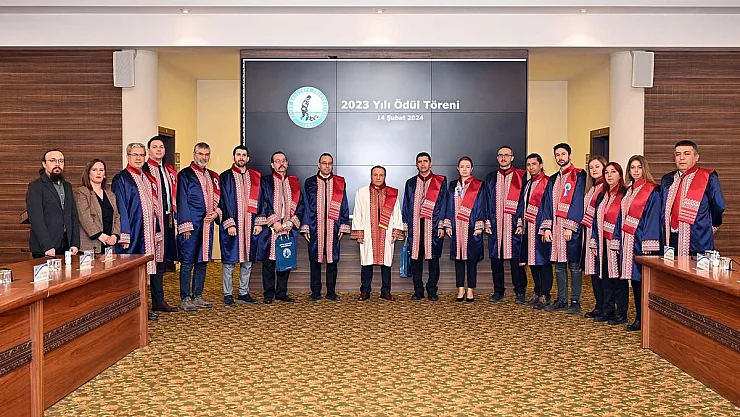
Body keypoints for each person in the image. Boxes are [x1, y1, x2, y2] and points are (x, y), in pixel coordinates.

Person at [113, 143, 165, 321]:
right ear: (128, 156)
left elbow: (154, 207)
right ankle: (130, 310)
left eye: (141, 155)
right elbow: (121, 208)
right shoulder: (121, 179)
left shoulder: (147, 178)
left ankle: (143, 307)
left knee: (145, 274)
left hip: (147, 233)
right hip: (133, 234)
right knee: (131, 274)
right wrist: (124, 234)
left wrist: (157, 230)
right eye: (134, 155)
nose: (138, 158)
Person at [540, 143, 587, 314]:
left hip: (570, 229)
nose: (560, 157)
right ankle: (562, 299)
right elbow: (546, 203)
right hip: (556, 228)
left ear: (570, 155)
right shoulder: (553, 179)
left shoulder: (579, 175)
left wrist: (571, 226)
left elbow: (579, 201)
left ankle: (575, 301)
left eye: (563, 154)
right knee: (559, 266)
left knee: (574, 266)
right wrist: (547, 228)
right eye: (557, 155)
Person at [255, 151, 304, 304]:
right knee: (269, 263)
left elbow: (301, 205)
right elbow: (263, 202)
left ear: (287, 163)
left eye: (283, 160)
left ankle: (282, 293)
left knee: (285, 259)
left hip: (288, 227)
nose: (281, 163)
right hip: (271, 228)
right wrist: (274, 222)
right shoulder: (265, 181)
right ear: (272, 165)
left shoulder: (294, 182)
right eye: (277, 161)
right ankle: (268, 294)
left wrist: (291, 222)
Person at [177, 142, 221, 312]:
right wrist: (185, 225)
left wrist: (216, 213)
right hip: (191, 226)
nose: (203, 157)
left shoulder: (213, 176)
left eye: (206, 154)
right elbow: (181, 200)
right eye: (200, 154)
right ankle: (185, 297)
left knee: (202, 261)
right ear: (194, 154)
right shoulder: (185, 175)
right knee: (187, 262)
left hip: (207, 226)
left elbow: (221, 200)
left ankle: (197, 295)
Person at [660, 140, 725, 256]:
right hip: (670, 239)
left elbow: (718, 206)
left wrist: (707, 228)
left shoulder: (708, 177)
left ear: (696, 157)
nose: (682, 158)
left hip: (697, 237)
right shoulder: (667, 179)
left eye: (687, 154)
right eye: (678, 154)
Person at [300, 153, 350, 302]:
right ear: (318, 164)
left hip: (333, 226)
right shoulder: (310, 182)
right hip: (315, 227)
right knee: (314, 261)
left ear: (332, 165)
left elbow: (344, 204)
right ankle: (315, 292)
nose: (327, 166)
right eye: (324, 163)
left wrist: (343, 225)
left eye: (329, 163)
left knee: (332, 261)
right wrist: (306, 226)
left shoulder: (339, 182)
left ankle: (331, 292)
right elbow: (306, 205)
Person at [352, 166, 404, 301]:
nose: (378, 177)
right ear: (371, 176)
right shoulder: (361, 193)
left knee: (386, 262)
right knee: (366, 261)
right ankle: (365, 291)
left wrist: (396, 231)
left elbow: (397, 212)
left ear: (385, 177)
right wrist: (359, 232)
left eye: (381, 175)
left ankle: (386, 291)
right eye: (375, 175)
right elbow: (357, 213)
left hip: (386, 232)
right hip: (368, 232)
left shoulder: (392, 193)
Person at [621, 155, 661, 331]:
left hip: (641, 241)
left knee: (642, 281)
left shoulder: (652, 191)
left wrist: (648, 245)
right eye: (632, 168)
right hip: (628, 240)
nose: (636, 171)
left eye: (639, 167)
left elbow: (653, 218)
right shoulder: (628, 191)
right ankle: (638, 315)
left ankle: (643, 318)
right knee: (634, 281)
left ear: (644, 169)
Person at [401, 152, 448, 301]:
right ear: (416, 165)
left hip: (433, 226)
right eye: (420, 161)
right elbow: (406, 204)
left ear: (430, 163)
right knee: (416, 260)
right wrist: (405, 225)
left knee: (433, 260)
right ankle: (418, 290)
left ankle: (432, 290)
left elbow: (444, 203)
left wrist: (441, 225)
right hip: (415, 225)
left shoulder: (440, 181)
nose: (423, 164)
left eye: (425, 161)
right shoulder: (410, 183)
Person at [219, 145, 261, 306]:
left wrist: (259, 223)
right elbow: (222, 202)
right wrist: (229, 223)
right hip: (233, 226)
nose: (241, 157)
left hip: (250, 225)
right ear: (233, 157)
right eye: (238, 155)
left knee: (247, 261)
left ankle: (244, 292)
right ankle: (227, 294)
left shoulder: (255, 177)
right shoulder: (225, 177)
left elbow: (262, 200)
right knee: (229, 262)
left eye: (244, 155)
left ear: (248, 158)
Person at [485, 145, 527, 303]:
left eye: (506, 155)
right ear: (497, 158)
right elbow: (486, 201)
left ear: (512, 157)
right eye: (501, 155)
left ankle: (520, 291)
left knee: (516, 261)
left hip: (514, 224)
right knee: (496, 260)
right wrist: (487, 221)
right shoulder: (491, 178)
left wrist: (521, 222)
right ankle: (498, 291)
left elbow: (524, 200)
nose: (503, 158)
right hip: (495, 224)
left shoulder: (521, 176)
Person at [142, 136, 179, 313]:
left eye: (161, 147)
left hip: (167, 219)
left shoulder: (168, 170)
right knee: (151, 260)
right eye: (155, 147)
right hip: (151, 221)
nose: (158, 150)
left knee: (161, 260)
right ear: (149, 150)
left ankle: (158, 300)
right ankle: (146, 302)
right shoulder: (144, 170)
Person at [589, 162, 627, 325]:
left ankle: (621, 312)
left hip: (617, 241)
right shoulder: (602, 195)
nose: (609, 175)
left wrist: (617, 240)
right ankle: (608, 309)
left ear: (620, 175)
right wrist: (594, 241)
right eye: (607, 172)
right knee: (604, 276)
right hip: (602, 241)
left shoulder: (625, 194)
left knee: (618, 279)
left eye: (613, 172)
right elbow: (595, 220)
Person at [445, 156, 486, 302]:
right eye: (462, 166)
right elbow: (448, 205)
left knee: (471, 259)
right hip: (457, 226)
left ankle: (470, 290)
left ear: (472, 169)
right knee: (459, 259)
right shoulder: (452, 185)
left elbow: (482, 205)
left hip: (472, 225)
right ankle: (460, 289)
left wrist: (479, 225)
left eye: (467, 167)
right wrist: (448, 224)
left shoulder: (479, 185)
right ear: (458, 168)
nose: (464, 169)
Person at [514, 153, 553, 309]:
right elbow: (521, 205)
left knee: (543, 262)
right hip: (528, 228)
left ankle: (545, 295)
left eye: (534, 164)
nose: (531, 167)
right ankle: (537, 293)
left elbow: (549, 206)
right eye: (529, 165)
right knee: (533, 262)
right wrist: (520, 223)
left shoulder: (547, 182)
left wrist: (546, 227)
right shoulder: (528, 184)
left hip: (540, 228)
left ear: (541, 165)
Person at [26, 149, 80, 258]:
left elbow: (73, 215)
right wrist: (47, 246)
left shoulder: (67, 186)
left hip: (67, 246)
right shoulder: (36, 186)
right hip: (46, 248)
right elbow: (36, 219)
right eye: (53, 161)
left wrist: (75, 243)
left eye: (61, 161)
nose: (57, 164)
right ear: (44, 164)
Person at [581, 155, 607, 319]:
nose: (594, 170)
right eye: (591, 167)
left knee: (602, 271)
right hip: (589, 233)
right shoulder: (591, 188)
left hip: (600, 235)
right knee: (594, 272)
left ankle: (606, 307)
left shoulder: (606, 188)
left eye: (597, 166)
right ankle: (599, 305)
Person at [74, 159, 120, 253]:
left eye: (101, 170)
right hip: (90, 245)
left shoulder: (111, 195)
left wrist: (115, 235)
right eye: (94, 170)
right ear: (88, 173)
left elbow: (117, 216)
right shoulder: (81, 192)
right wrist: (100, 235)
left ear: (105, 174)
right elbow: (85, 217)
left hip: (109, 245)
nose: (98, 173)